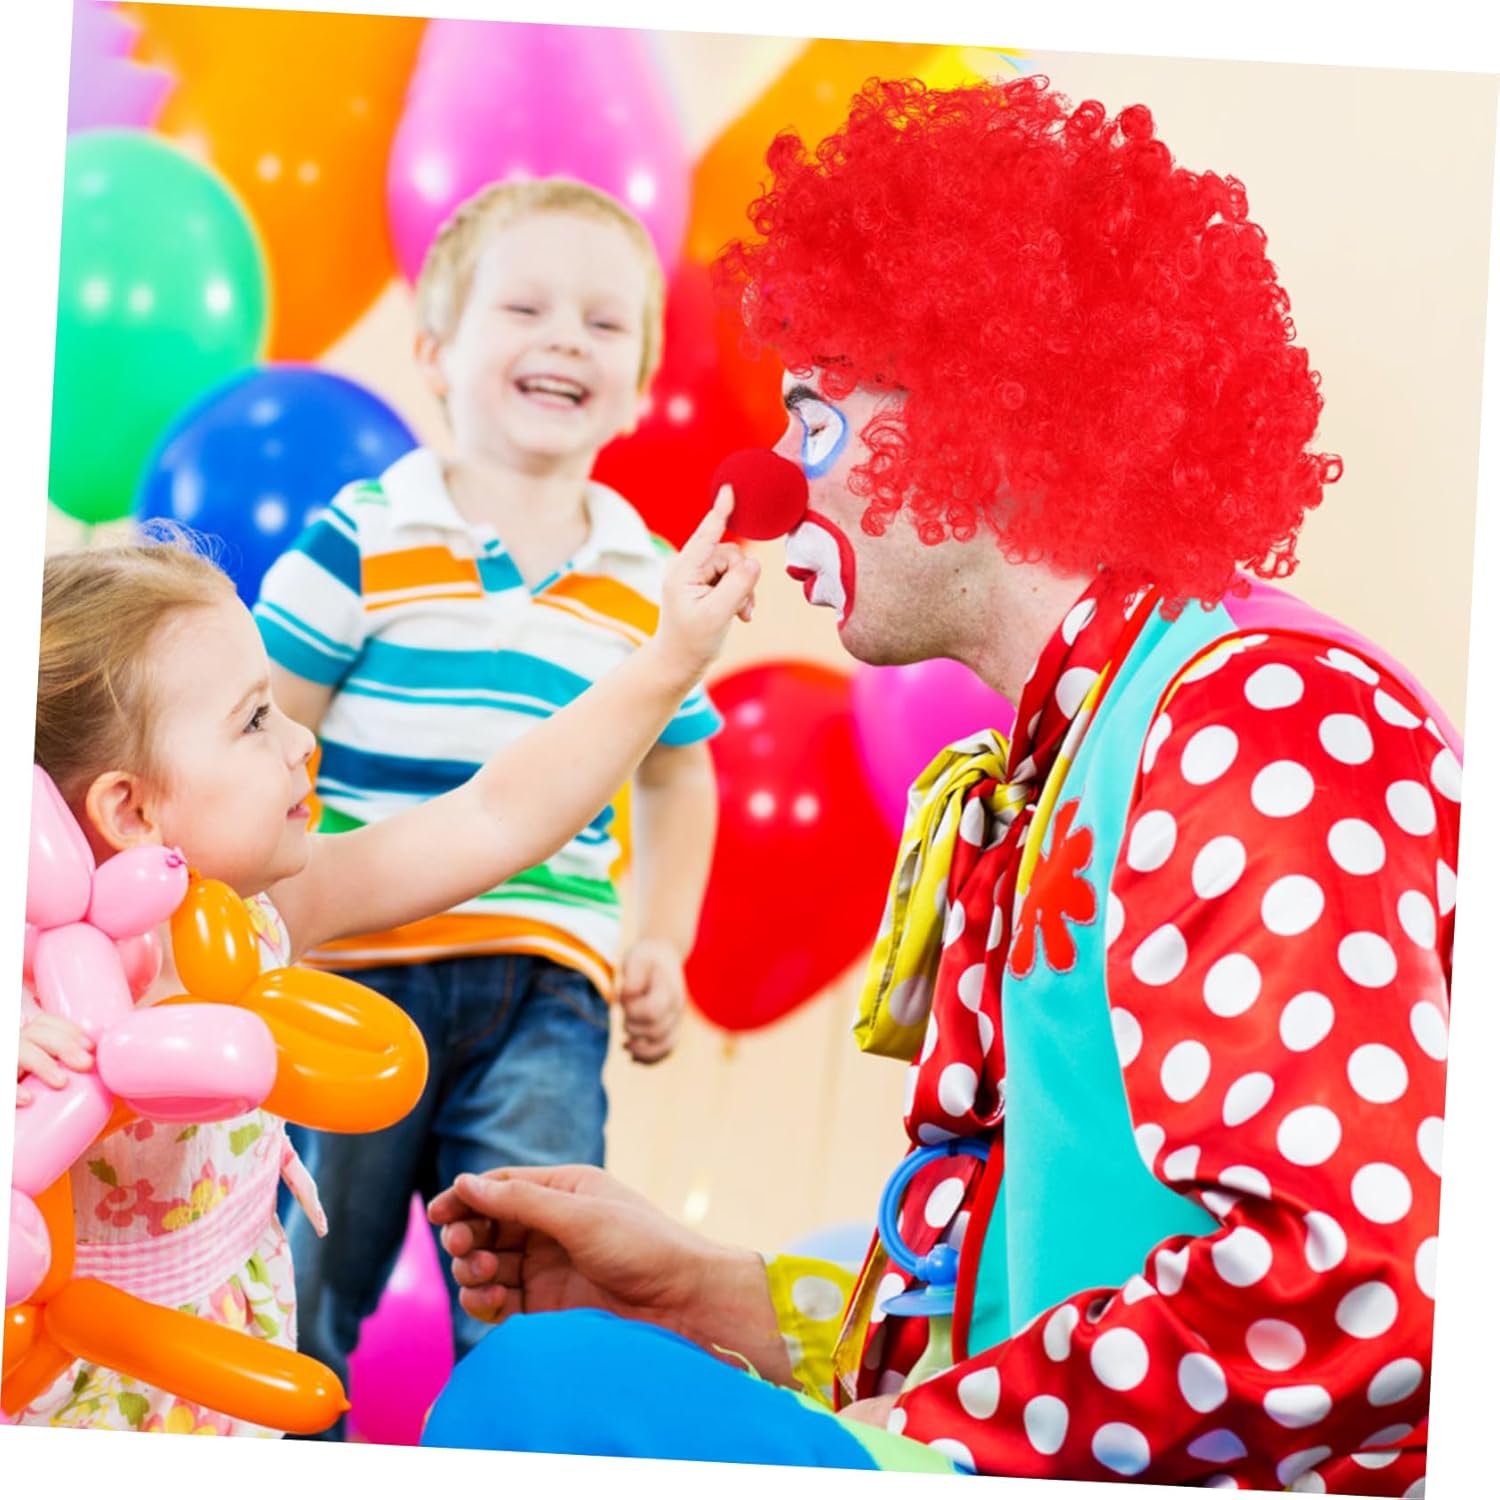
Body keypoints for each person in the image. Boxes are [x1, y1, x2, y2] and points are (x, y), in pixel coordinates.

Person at [424, 77, 1453, 1495]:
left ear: (986, 414)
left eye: (812, 421)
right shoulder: (1067, 754)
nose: (773, 485)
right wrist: (716, 1295)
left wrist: (886, 1451)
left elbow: (1356, 1288)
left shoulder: (1267, 718)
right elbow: (1047, 1282)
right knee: (565, 1376)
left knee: (544, 1401)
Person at [11, 505, 756, 1435]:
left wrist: (670, 659)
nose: (301, 741)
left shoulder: (262, 919)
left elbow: (496, 816)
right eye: (254, 720)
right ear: (130, 811)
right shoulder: (30, 987)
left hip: (231, 1392)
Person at [252, 179, 726, 1420]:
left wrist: (661, 940)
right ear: (434, 353)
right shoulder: (364, 534)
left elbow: (680, 768)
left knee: (535, 1289)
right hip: (349, 971)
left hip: (545, 986)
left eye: (605, 324)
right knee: (299, 1287)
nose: (567, 338)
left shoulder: (650, 584)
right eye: (525, 308)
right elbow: (261, 728)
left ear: (638, 386)